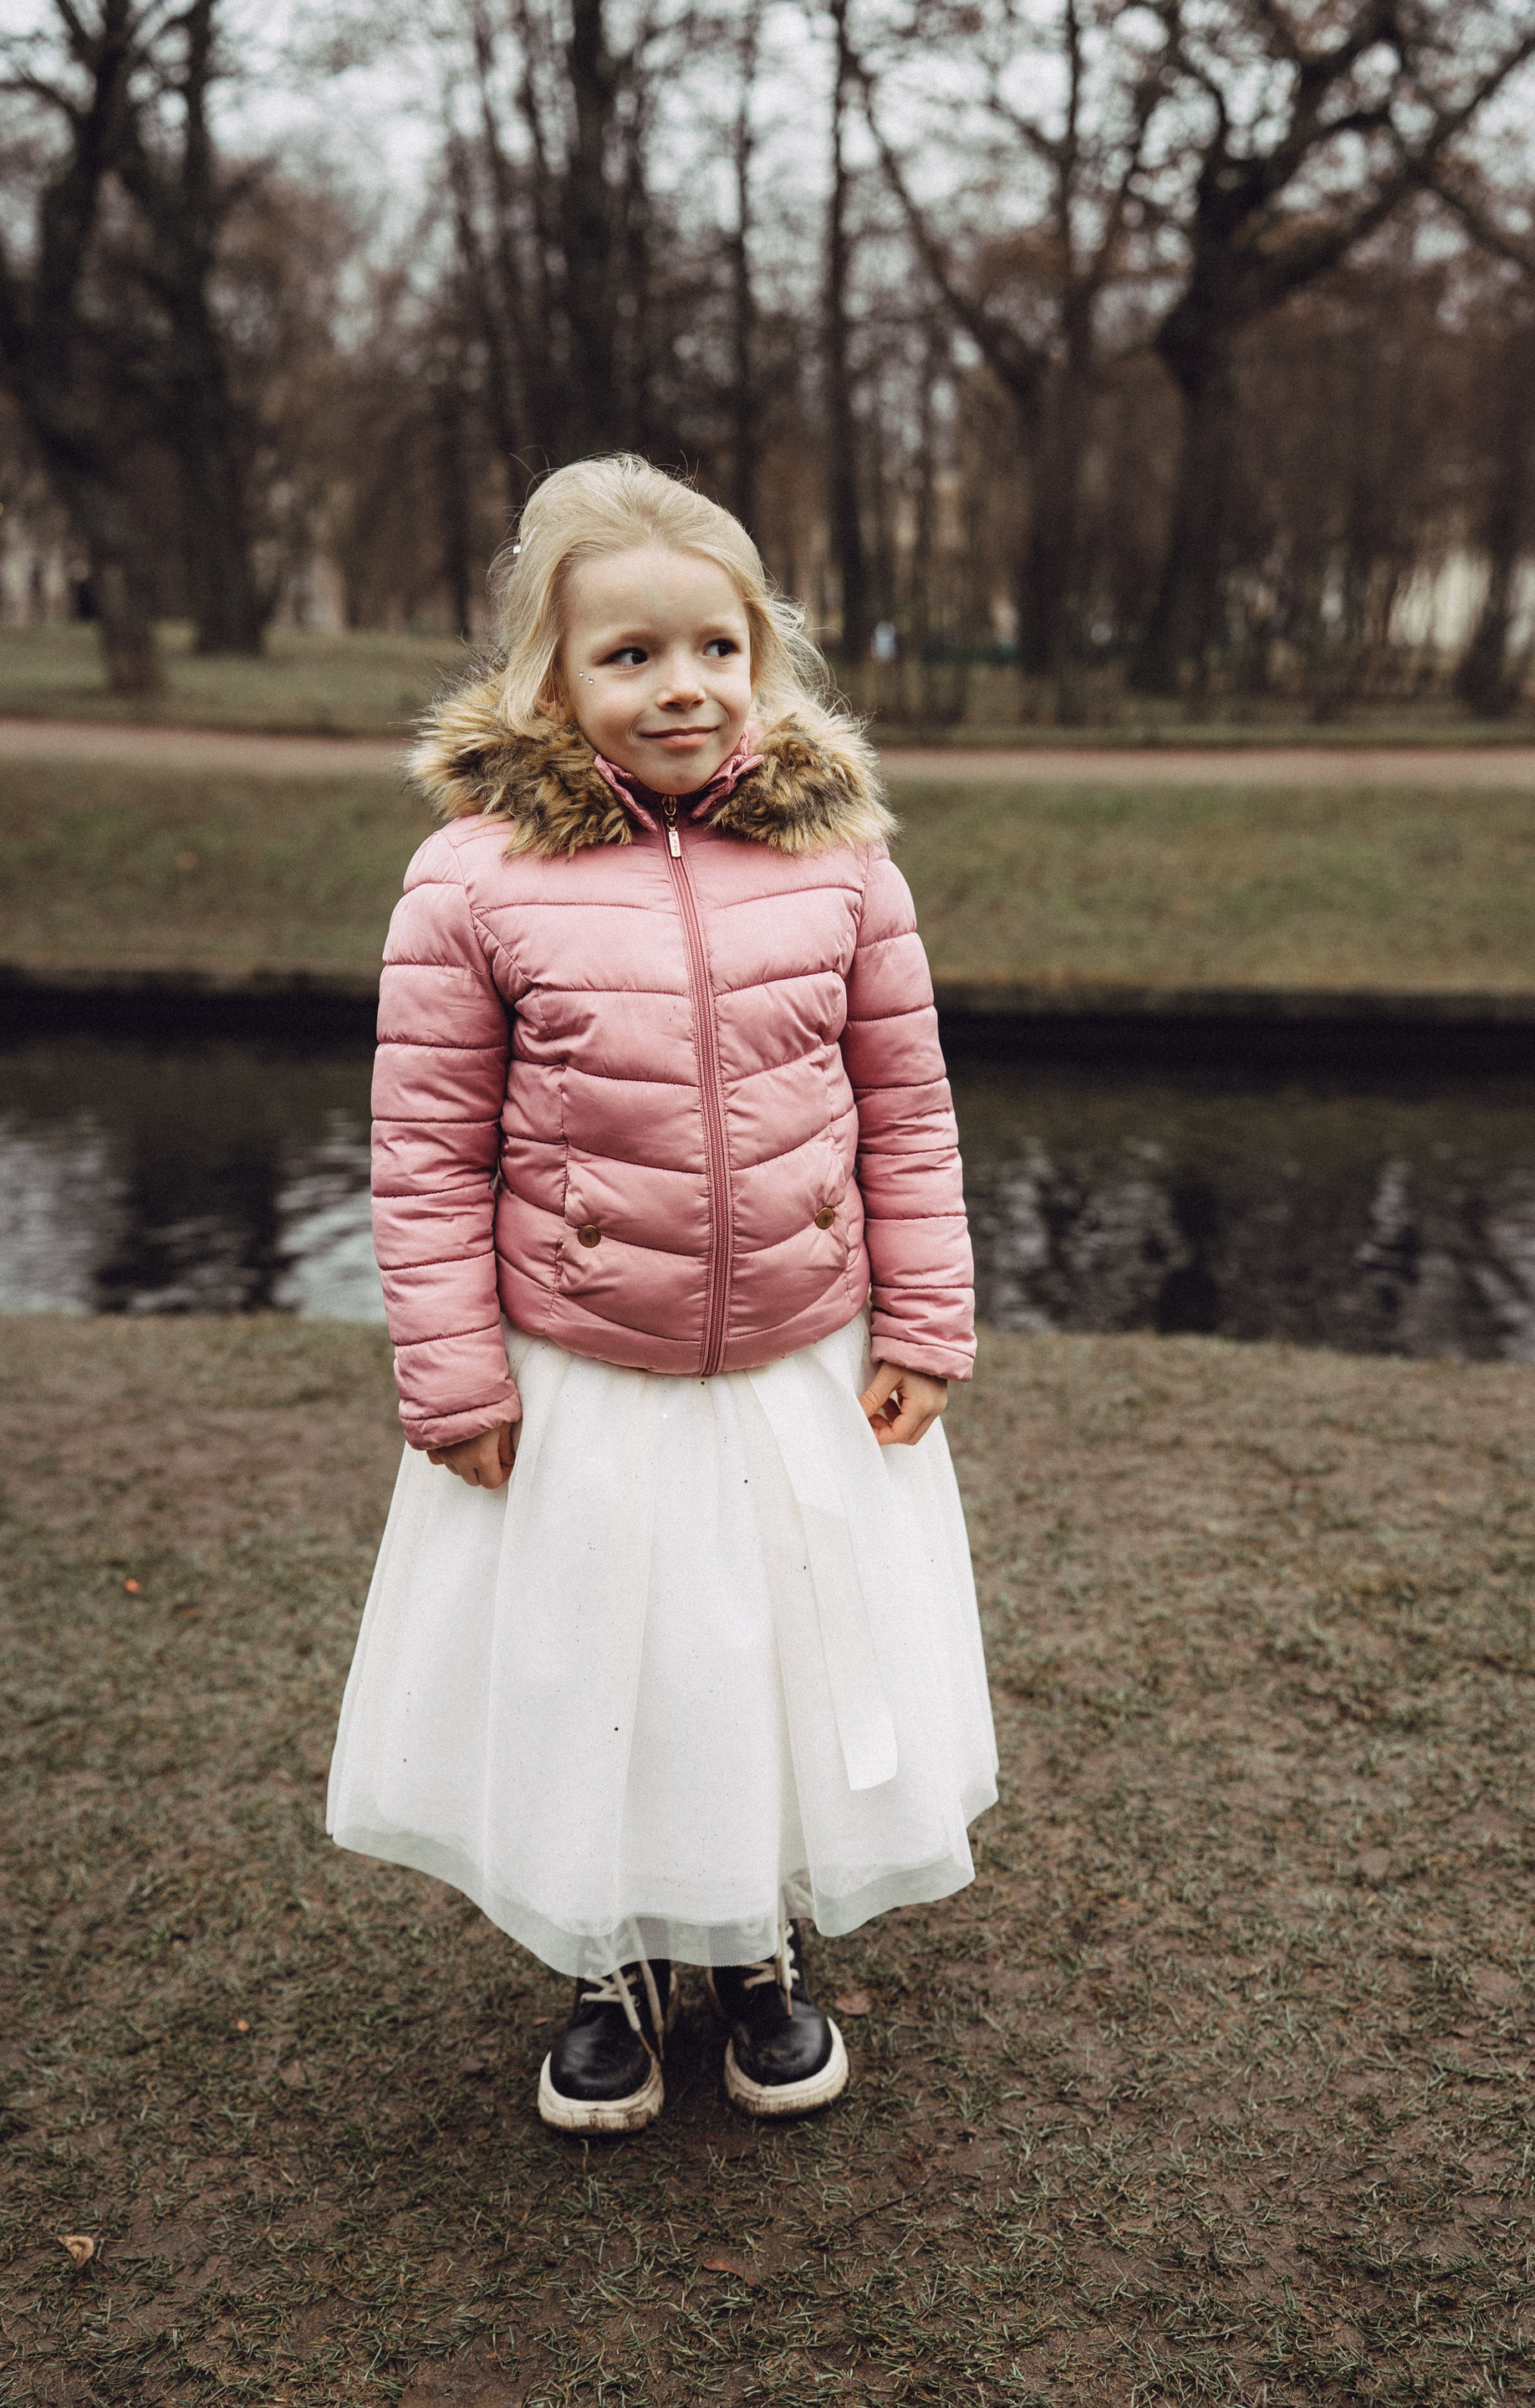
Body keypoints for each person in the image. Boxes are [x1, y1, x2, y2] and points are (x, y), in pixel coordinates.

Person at [327, 454, 997, 2137]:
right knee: (601, 1669)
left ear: (762, 654)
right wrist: (455, 1377)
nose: (681, 686)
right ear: (551, 679)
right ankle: (608, 1955)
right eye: (630, 656)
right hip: (583, 1372)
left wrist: (925, 1320)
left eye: (715, 647)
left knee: (766, 1661)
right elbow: (425, 1153)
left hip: (798, 1361)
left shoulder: (843, 864)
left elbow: (909, 1109)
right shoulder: (470, 879)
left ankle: (755, 1941)